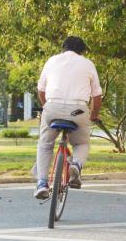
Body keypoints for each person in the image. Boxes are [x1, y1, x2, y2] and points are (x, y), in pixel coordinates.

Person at [33, 36, 102, 199]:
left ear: (63, 48)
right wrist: (94, 114)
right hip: (78, 109)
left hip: (52, 107)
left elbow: (41, 90)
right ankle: (76, 165)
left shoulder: (52, 61)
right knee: (82, 143)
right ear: (82, 51)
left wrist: (46, 106)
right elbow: (97, 96)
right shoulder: (88, 64)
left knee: (45, 144)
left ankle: (42, 183)